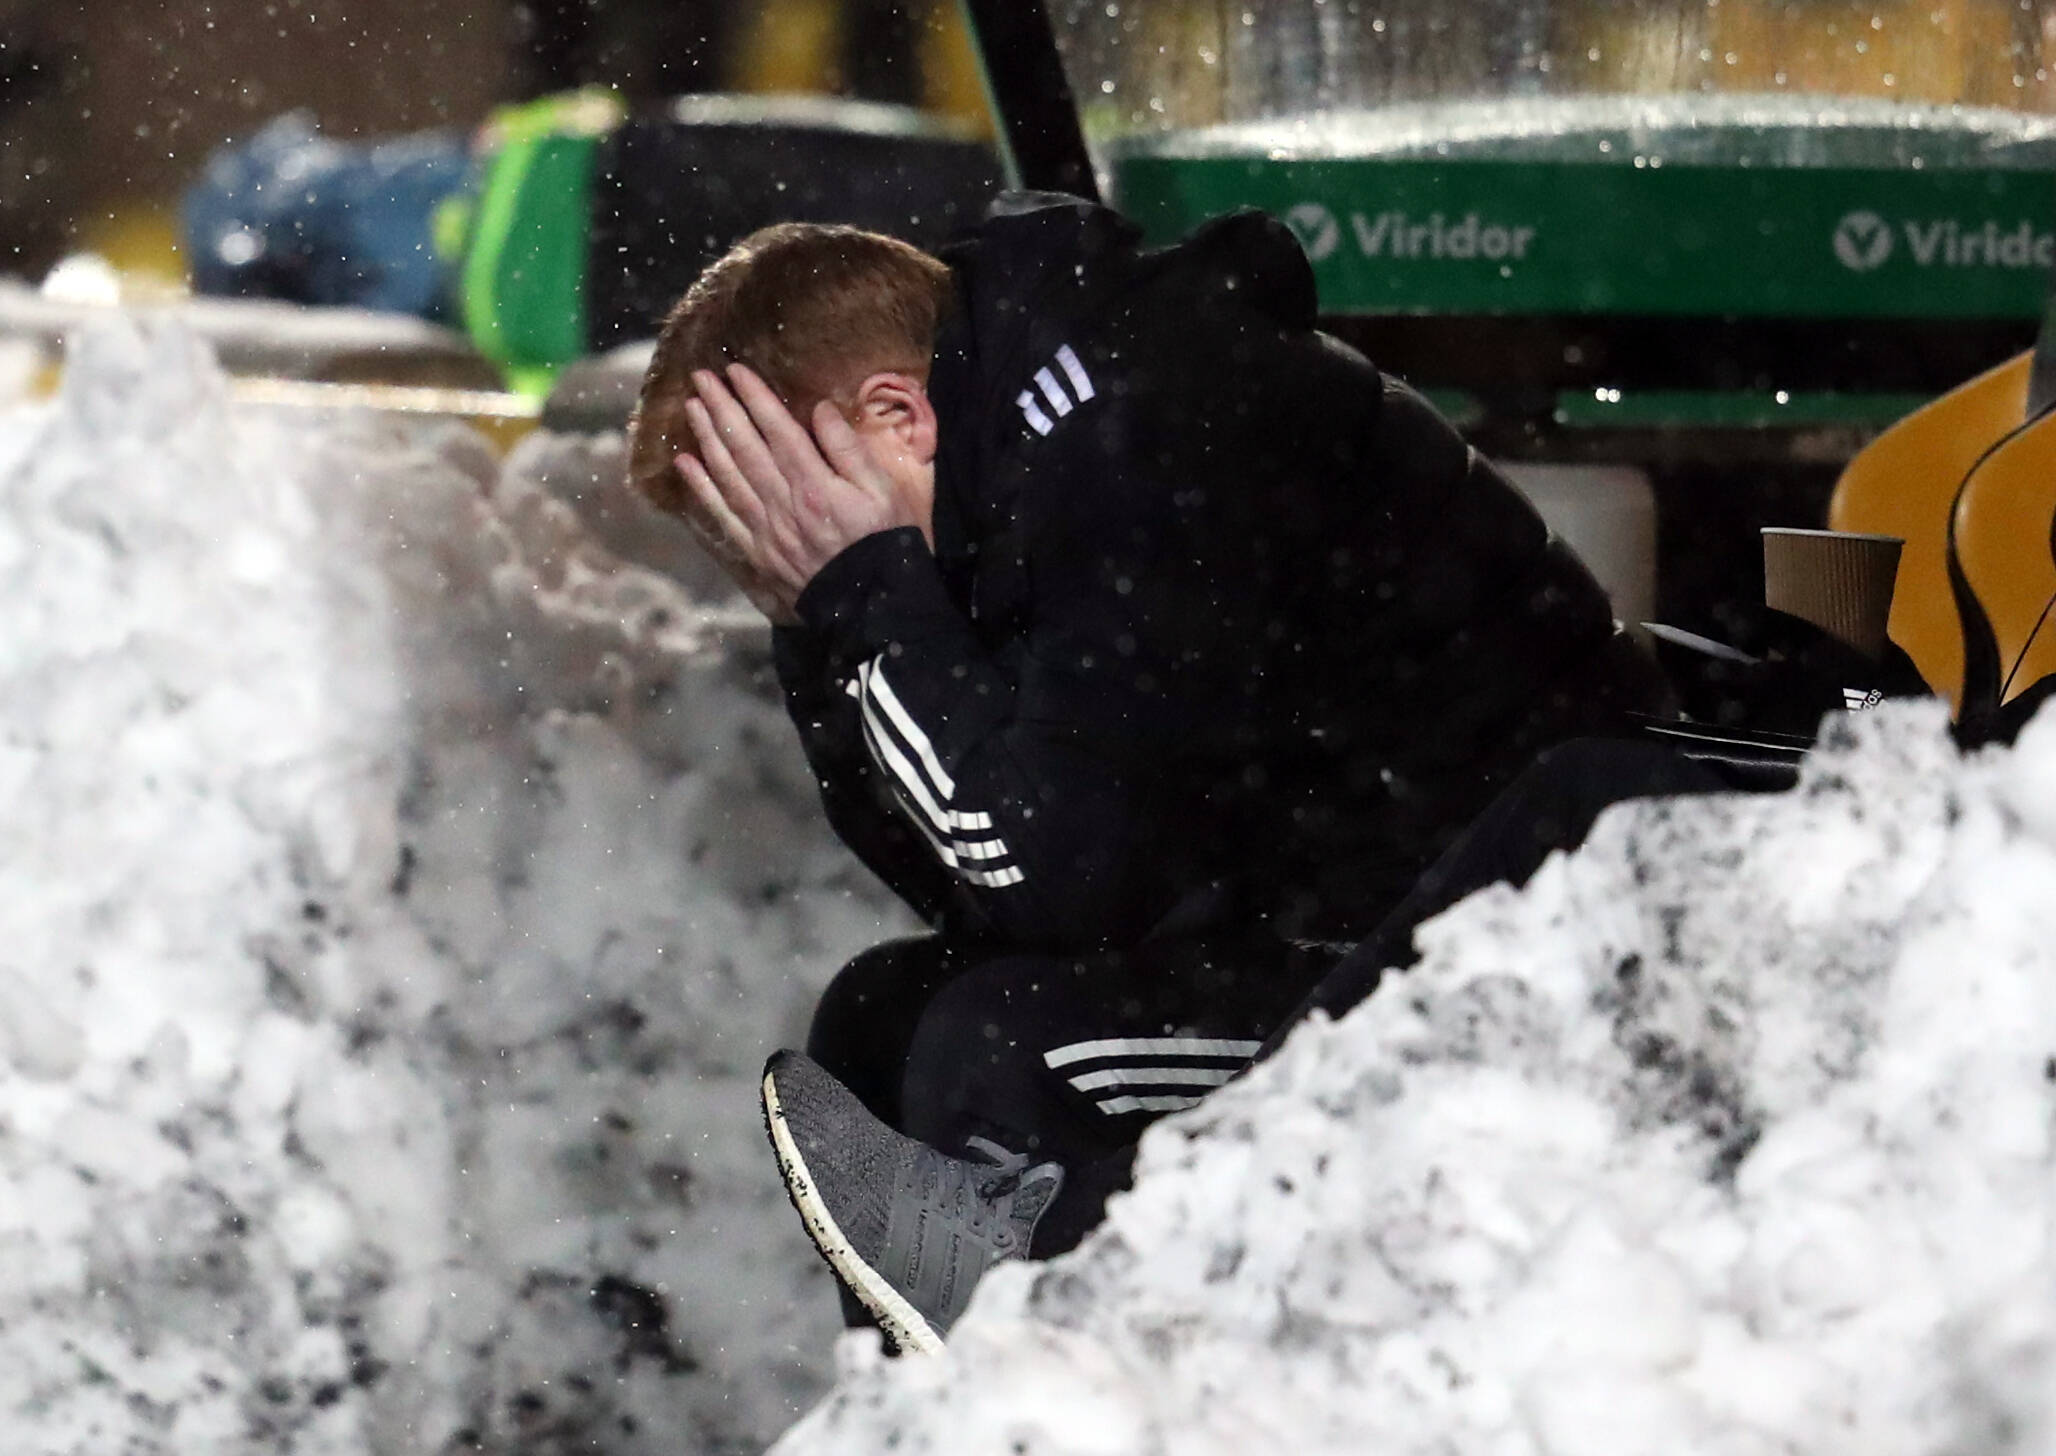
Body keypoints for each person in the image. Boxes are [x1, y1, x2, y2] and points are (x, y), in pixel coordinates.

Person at [626, 193, 1676, 1353]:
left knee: (1005, 1044)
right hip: (1322, 918)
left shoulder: (1145, 417)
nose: (774, 556)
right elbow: (960, 881)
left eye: (776, 515)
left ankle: (1093, 1398)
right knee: (879, 1019)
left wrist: (864, 589)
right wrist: (831, 620)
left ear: (895, 415)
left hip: (1527, 945)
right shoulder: (995, 471)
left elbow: (1053, 879)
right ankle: (945, 1405)